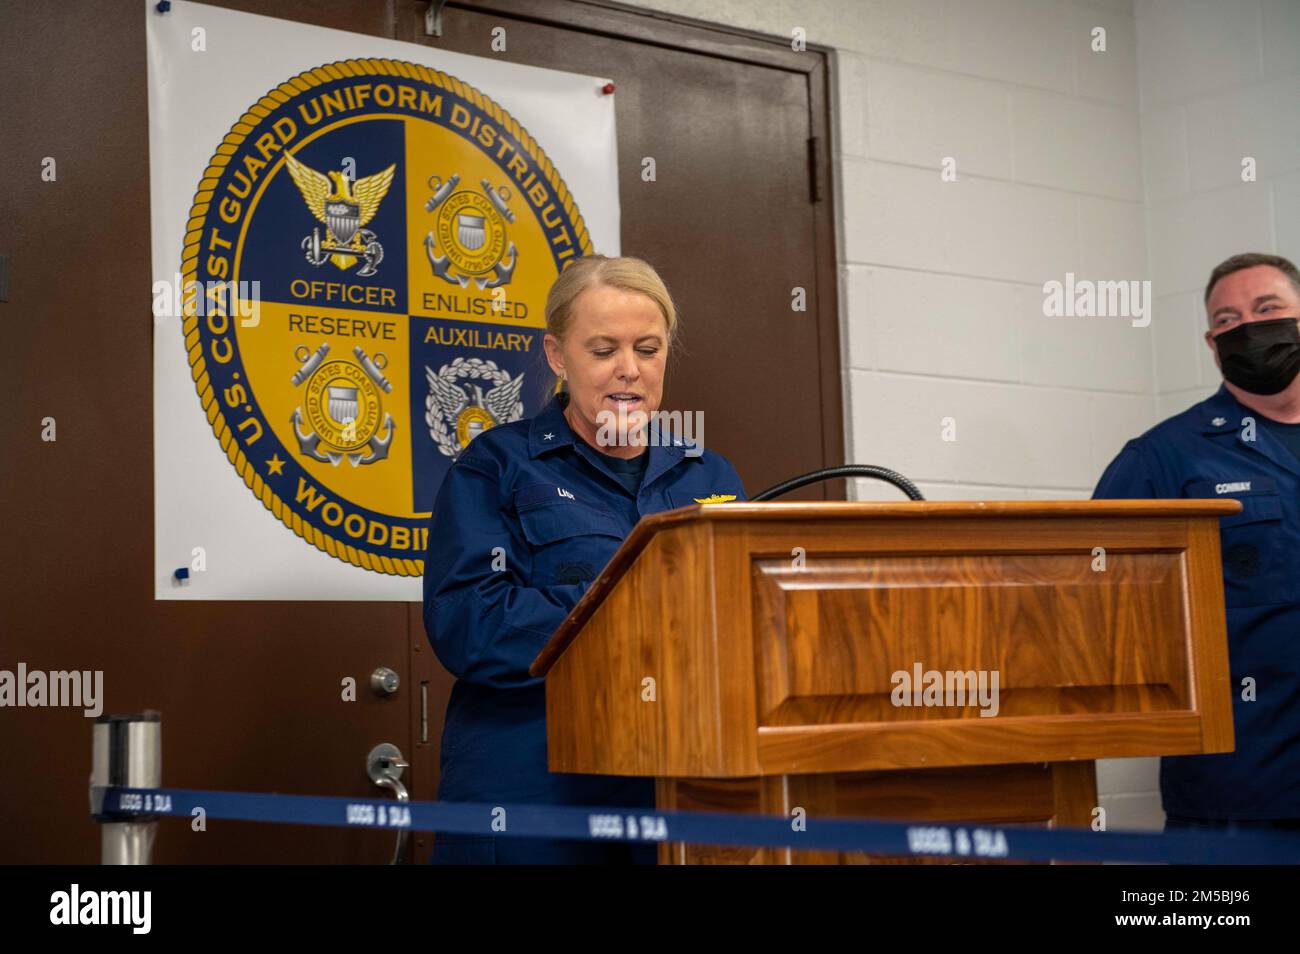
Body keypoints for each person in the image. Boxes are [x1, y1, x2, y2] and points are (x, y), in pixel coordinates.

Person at [422, 255, 748, 863]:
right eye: (603, 351)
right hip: (533, 799)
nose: (629, 371)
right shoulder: (496, 466)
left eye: (648, 349)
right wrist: (627, 602)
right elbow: (467, 623)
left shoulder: (711, 473)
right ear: (556, 356)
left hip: (676, 794)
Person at [1093, 252, 1300, 833]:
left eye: (1268, 309)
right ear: (1213, 343)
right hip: (1238, 788)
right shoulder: (1165, 457)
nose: (1248, 328)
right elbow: (1094, 593)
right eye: (1228, 320)